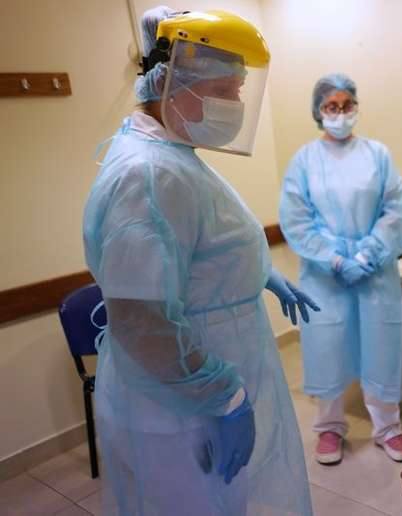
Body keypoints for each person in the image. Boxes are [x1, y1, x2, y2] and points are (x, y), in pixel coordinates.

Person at [82, 7, 316, 515]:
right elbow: (141, 322)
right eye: (226, 91)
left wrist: (258, 273)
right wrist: (222, 398)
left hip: (197, 393)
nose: (236, 104)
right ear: (173, 84)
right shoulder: (147, 175)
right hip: (181, 409)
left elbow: (195, 251)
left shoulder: (173, 156)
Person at [279, 73, 402, 465]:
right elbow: (296, 218)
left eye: (346, 105)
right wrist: (333, 258)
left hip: (375, 273)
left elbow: (397, 209)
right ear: (318, 112)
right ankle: (329, 428)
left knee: (382, 347)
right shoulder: (304, 161)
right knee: (326, 347)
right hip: (325, 278)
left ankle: (388, 428)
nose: (340, 114)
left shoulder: (378, 155)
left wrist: (367, 254)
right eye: (331, 107)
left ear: (357, 107)